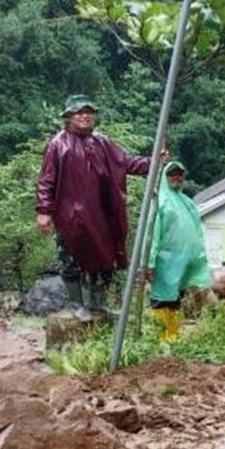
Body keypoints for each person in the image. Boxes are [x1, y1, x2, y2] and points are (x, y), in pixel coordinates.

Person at [36, 94, 152, 319]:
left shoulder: (102, 142)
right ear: (69, 116)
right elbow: (46, 180)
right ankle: (76, 303)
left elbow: (125, 162)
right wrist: (43, 211)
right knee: (71, 256)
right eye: (80, 112)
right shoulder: (58, 145)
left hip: (101, 213)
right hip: (70, 215)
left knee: (104, 257)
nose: (85, 116)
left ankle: (98, 303)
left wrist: (152, 162)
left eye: (89, 112)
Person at [143, 161, 211, 341]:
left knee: (175, 298)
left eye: (179, 174)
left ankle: (172, 336)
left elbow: (196, 230)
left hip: (183, 263)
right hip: (164, 263)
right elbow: (153, 235)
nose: (176, 177)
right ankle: (162, 337)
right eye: (172, 174)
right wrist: (149, 263)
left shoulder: (186, 202)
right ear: (164, 178)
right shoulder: (159, 201)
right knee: (162, 298)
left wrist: (199, 257)